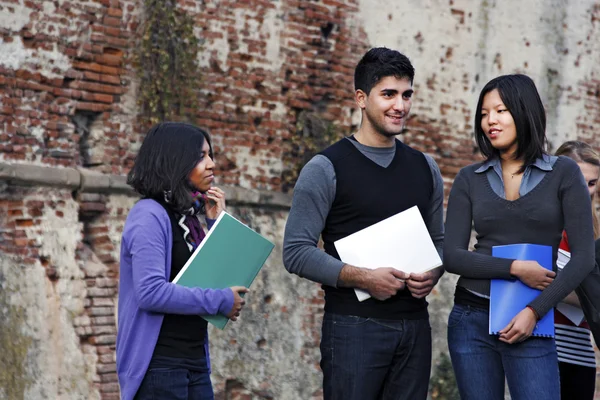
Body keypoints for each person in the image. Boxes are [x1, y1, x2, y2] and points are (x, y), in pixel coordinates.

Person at [283, 47, 445, 400]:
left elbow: (439, 243)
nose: (399, 105)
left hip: (415, 327)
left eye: (406, 95)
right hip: (352, 328)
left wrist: (433, 273)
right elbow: (295, 252)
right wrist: (364, 277)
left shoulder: (426, 168)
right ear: (361, 97)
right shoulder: (325, 168)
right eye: (388, 94)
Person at [443, 74, 595, 400]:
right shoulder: (469, 178)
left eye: (500, 111)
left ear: (523, 111)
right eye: (484, 114)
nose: (490, 121)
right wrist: (515, 268)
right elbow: (453, 256)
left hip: (531, 319)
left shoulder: (564, 174)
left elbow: (583, 258)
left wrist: (535, 311)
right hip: (470, 319)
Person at [116, 122, 248, 400]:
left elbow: (213, 281)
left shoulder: (189, 219)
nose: (212, 164)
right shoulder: (148, 215)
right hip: (159, 369)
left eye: (210, 155)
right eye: (201, 156)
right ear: (174, 160)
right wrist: (221, 301)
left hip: (194, 365)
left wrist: (215, 225)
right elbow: (150, 293)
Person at [553, 140, 599, 400]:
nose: (587, 190)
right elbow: (544, 282)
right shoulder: (543, 221)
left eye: (592, 183)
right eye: (580, 180)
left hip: (581, 351)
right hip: (543, 345)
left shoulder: (593, 231)